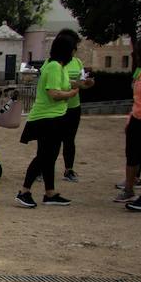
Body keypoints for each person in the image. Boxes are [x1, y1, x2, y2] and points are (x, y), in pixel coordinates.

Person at [15, 30, 85, 208]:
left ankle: (50, 192)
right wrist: (71, 93)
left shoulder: (58, 67)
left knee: (50, 156)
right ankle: (24, 191)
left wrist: (79, 85)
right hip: (47, 118)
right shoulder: (54, 66)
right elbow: (53, 93)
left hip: (54, 117)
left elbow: (62, 86)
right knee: (44, 156)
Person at [113, 32, 141, 211]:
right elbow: (137, 100)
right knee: (132, 157)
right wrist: (130, 119)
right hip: (137, 120)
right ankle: (129, 189)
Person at [58, 48, 93, 183]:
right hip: (57, 108)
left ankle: (69, 169)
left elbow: (82, 82)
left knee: (70, 140)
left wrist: (87, 84)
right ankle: (42, 170)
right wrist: (74, 84)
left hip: (74, 107)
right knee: (52, 141)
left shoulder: (77, 62)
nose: (73, 51)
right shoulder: (54, 64)